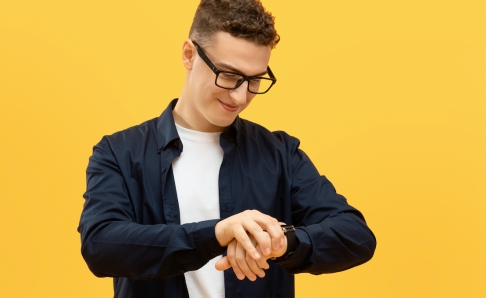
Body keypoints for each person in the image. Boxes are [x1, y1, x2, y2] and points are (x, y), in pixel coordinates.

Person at [78, 0, 376, 297]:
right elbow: (101, 244)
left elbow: (355, 235)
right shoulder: (118, 153)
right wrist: (216, 233)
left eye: (255, 80)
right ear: (189, 55)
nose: (241, 96)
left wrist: (283, 242)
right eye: (230, 76)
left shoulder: (280, 154)